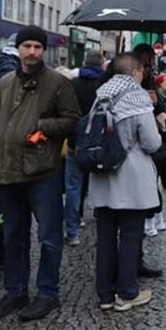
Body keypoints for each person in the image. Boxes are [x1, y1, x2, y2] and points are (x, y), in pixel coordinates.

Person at [0, 25, 81, 322]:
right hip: (7, 170)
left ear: (43, 50)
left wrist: (41, 128)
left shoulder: (57, 83)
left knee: (49, 236)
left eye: (37, 47)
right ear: (18, 48)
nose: (32, 52)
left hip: (42, 171)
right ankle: (15, 291)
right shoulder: (6, 82)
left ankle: (47, 293)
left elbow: (72, 118)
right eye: (27, 46)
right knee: (14, 235)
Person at [87, 53, 165, 311]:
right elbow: (151, 143)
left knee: (106, 237)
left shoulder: (101, 95)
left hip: (102, 177)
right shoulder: (137, 97)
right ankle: (127, 292)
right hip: (131, 179)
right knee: (131, 236)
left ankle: (105, 295)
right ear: (134, 73)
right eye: (142, 72)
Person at [64, 50, 106, 246]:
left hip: (76, 143)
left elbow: (67, 115)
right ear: (101, 65)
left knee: (73, 187)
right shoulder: (104, 85)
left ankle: (72, 231)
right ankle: (103, 224)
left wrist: (72, 140)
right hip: (99, 143)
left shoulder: (73, 84)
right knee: (102, 182)